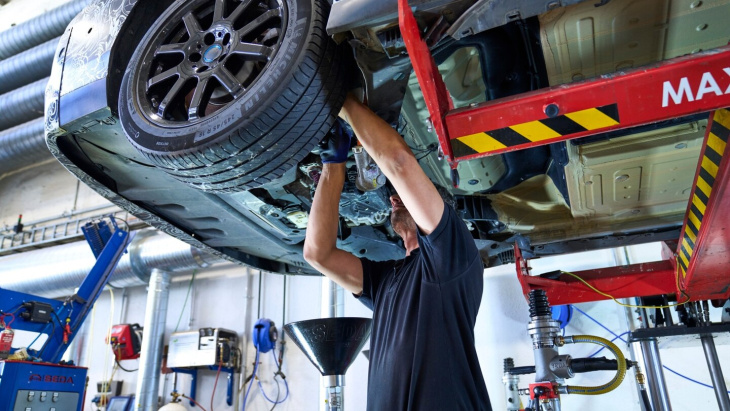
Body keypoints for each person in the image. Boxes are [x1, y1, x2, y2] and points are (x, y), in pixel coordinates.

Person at [303, 94, 491, 411]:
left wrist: (339, 100)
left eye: (401, 196)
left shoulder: (449, 258)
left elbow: (317, 255)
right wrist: (334, 161)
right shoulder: (394, 278)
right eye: (397, 196)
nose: (393, 199)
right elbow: (320, 253)